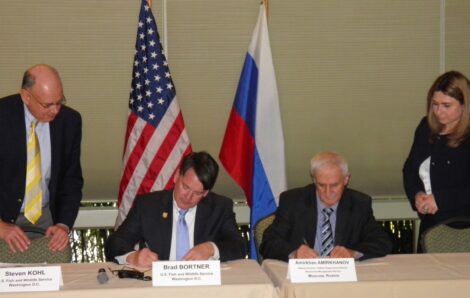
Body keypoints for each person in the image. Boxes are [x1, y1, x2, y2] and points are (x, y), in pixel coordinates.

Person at [105, 151, 246, 267]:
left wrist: (210, 248)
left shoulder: (220, 207)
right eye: (185, 187)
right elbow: (115, 242)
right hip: (157, 287)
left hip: (204, 287)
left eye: (197, 193)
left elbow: (239, 246)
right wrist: (133, 257)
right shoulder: (147, 205)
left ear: (206, 193)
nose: (188, 197)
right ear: (176, 176)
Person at [0, 64, 83, 253]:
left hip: (46, 220)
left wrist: (63, 224)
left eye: (59, 101)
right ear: (26, 96)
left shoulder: (69, 121)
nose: (55, 110)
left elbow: (71, 179)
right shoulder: (2, 117)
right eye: (47, 105)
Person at [260, 151, 392, 261]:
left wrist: (352, 253)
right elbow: (268, 242)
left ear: (346, 179)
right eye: (321, 185)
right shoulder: (293, 201)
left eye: (334, 185)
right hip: (303, 279)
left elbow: (382, 242)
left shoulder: (359, 204)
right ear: (313, 179)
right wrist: (294, 253)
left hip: (344, 280)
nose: (328, 192)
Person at [403, 71, 470, 252]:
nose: (439, 111)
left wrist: (441, 200)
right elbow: (410, 168)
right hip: (431, 226)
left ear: (464, 106)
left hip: (464, 228)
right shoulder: (426, 127)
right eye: (435, 104)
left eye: (447, 105)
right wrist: (416, 194)